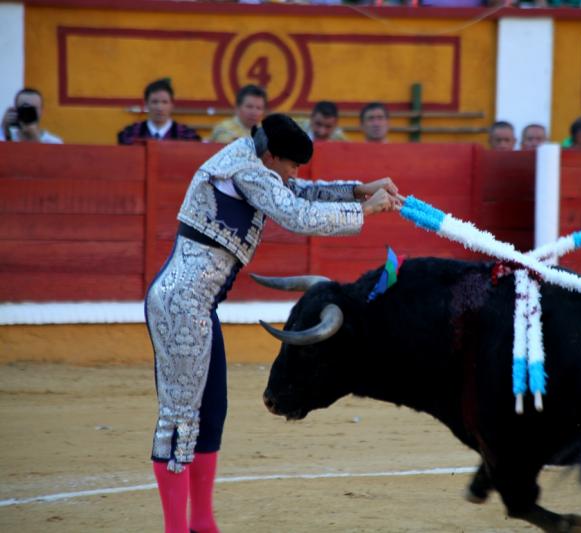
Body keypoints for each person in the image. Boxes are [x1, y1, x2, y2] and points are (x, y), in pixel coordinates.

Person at [146, 113, 400, 533]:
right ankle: (177, 529)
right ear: (272, 155)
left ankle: (202, 523)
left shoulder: (256, 164)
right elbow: (297, 215)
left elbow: (298, 193)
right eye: (291, 165)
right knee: (180, 418)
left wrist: (359, 190)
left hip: (197, 307)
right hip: (180, 306)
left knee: (211, 413)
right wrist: (366, 210)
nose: (294, 174)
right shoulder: (245, 168)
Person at [118, 78, 201, 145]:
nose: (159, 107)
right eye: (154, 102)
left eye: (164, 102)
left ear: (172, 104)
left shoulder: (187, 136)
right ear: (146, 104)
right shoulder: (130, 135)